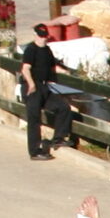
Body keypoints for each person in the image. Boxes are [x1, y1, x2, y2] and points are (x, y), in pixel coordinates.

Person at [21, 23, 70, 159]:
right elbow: (25, 68)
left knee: (63, 107)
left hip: (44, 87)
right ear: (35, 35)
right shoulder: (31, 49)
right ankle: (35, 151)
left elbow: (52, 67)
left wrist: (67, 72)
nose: (43, 39)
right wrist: (31, 84)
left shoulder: (47, 50)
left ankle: (58, 138)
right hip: (32, 86)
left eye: (45, 36)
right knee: (34, 119)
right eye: (41, 36)